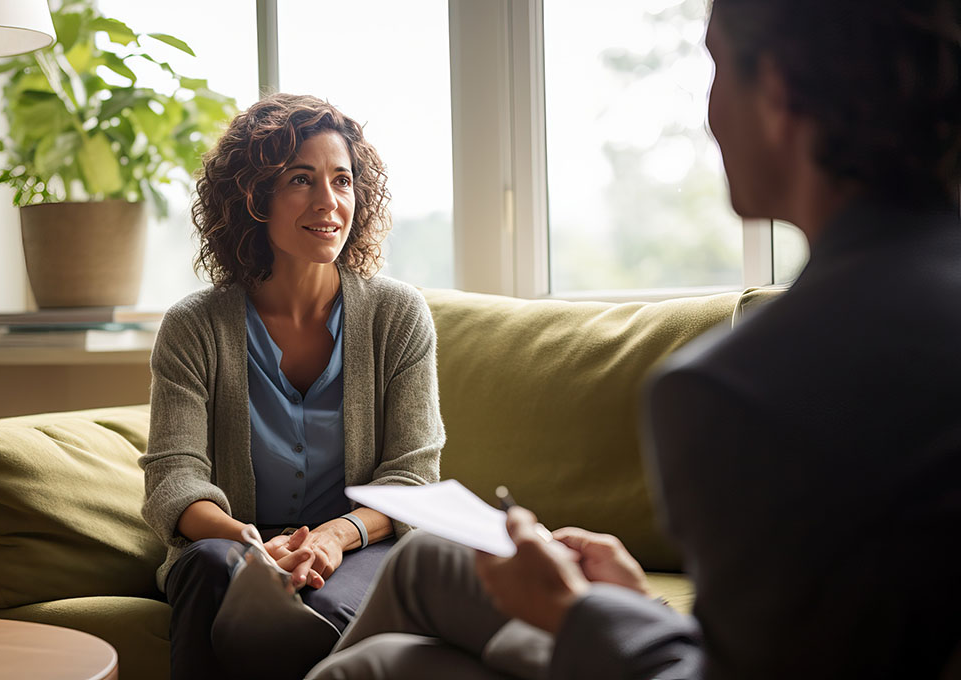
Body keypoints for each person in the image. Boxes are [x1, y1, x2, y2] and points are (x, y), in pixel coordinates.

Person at [307, 0, 961, 677]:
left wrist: (572, 611)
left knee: (378, 667)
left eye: (712, 68)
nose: (708, 112)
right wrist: (636, 602)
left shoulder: (741, 390)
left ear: (777, 91)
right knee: (423, 571)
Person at [138, 93, 444, 680]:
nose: (329, 203)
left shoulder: (398, 315)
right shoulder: (193, 326)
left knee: (321, 610)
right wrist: (249, 542)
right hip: (227, 545)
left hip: (358, 547)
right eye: (301, 180)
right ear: (253, 198)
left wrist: (333, 537)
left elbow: (413, 476)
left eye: (343, 181)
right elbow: (173, 481)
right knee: (207, 570)